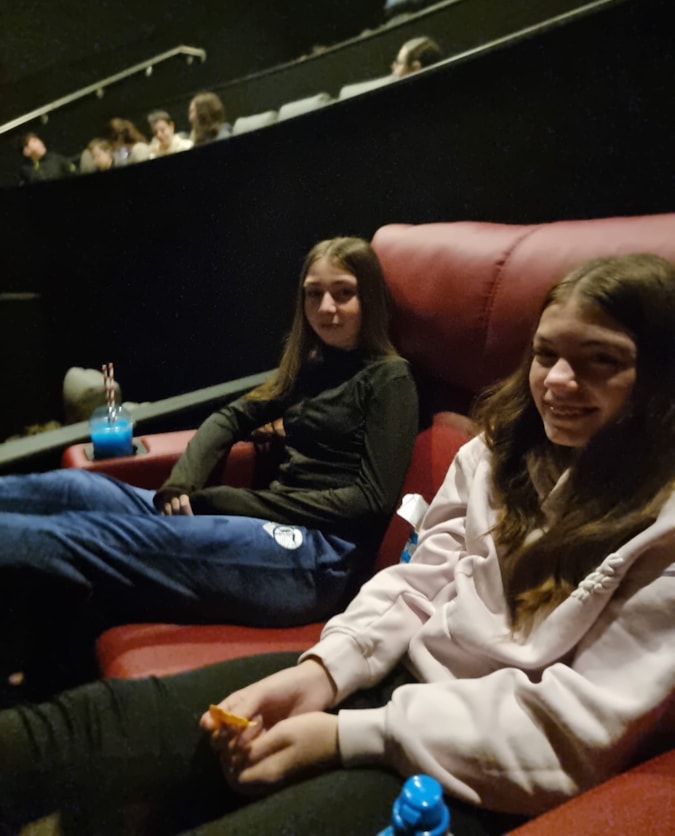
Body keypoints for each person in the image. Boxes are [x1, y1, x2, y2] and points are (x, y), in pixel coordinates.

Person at [1, 252, 673, 835]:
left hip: (472, 754)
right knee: (98, 701)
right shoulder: (485, 448)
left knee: (86, 538)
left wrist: (346, 733)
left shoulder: (389, 379)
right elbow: (417, 577)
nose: (558, 381)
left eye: (601, 361)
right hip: (386, 668)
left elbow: (572, 730)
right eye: (545, 354)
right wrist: (321, 671)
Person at [0, 236, 418, 704]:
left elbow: (370, 500)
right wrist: (182, 482)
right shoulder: (313, 367)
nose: (326, 308)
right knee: (72, 489)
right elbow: (229, 418)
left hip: (317, 558)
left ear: (370, 299)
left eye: (343, 293)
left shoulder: (390, 379)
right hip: (265, 522)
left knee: (85, 535)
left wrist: (231, 502)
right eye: (313, 293)